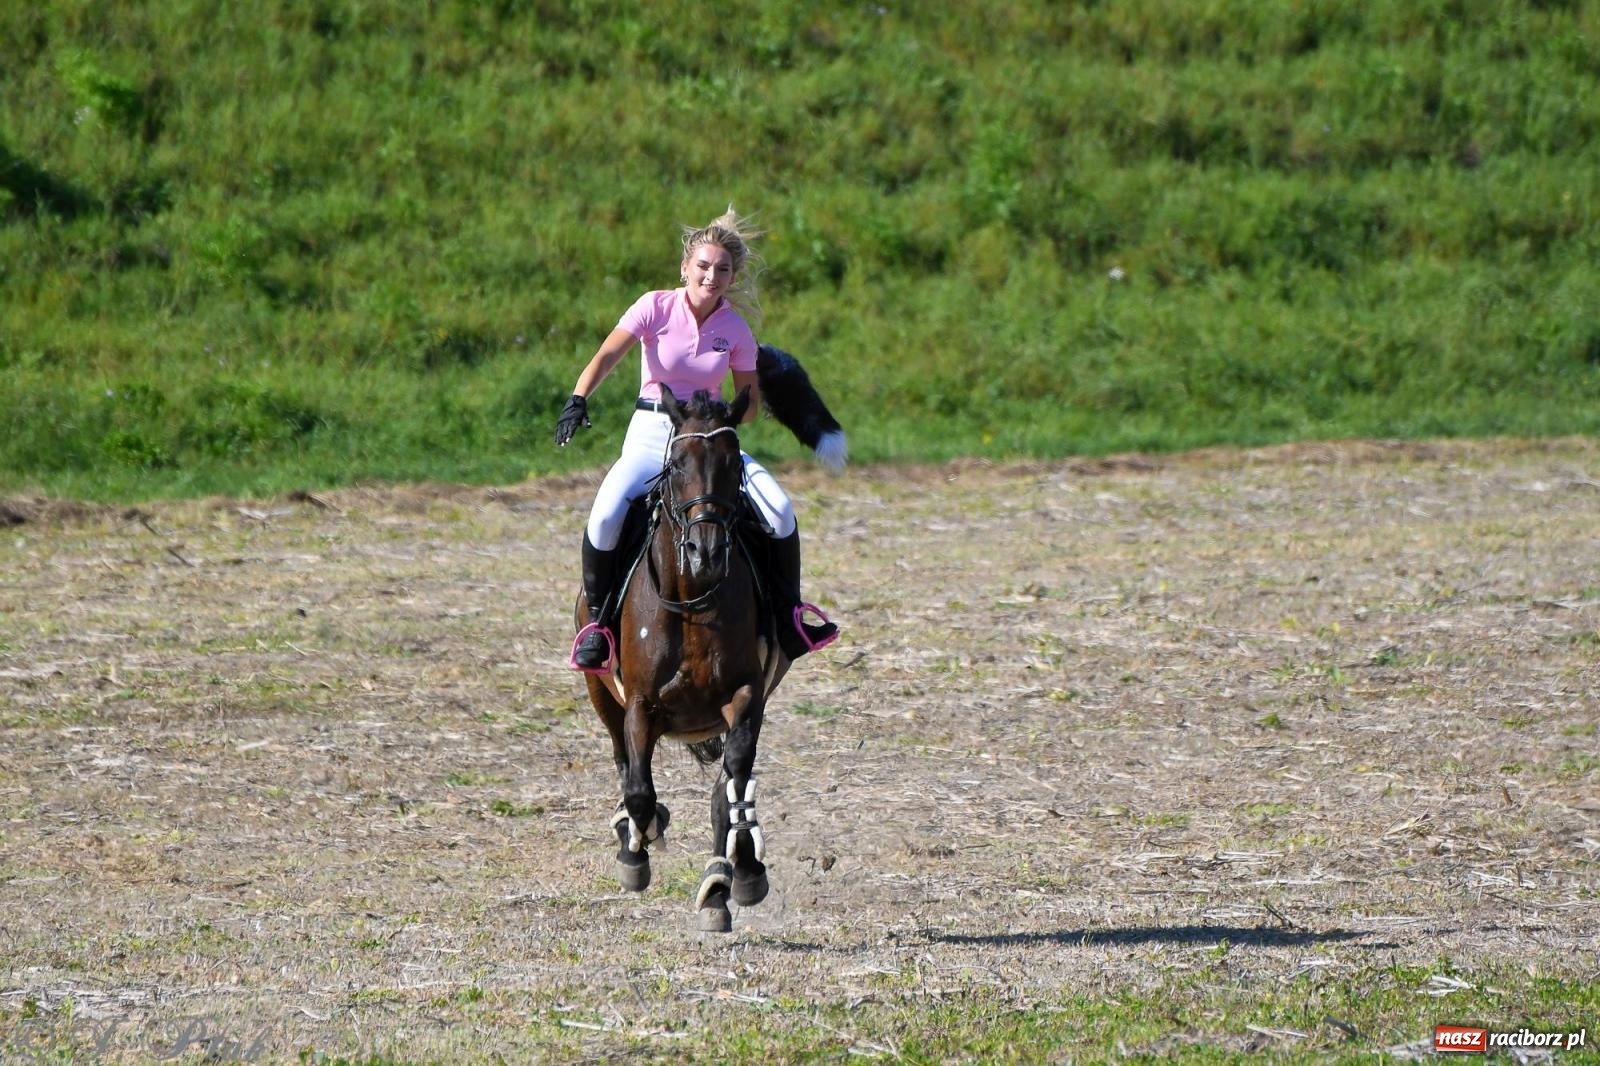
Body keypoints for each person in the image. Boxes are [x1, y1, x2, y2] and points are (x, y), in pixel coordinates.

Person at [554, 207, 838, 673]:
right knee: (605, 514)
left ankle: (789, 618)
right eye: (703, 266)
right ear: (686, 266)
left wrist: (732, 411)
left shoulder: (736, 331)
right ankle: (600, 626)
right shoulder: (653, 307)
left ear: (732, 276)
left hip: (709, 438)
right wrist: (578, 397)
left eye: (722, 269)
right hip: (652, 434)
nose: (712, 276)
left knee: (781, 511)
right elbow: (607, 354)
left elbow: (745, 403)